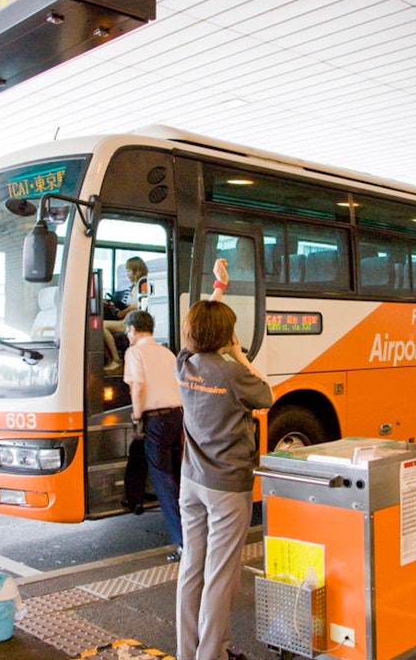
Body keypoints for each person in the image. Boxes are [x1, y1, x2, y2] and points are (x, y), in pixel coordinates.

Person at [175, 259, 272, 660]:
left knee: (192, 568)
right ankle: (210, 655)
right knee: (220, 575)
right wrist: (238, 354)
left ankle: (188, 652)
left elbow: (198, 327)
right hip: (227, 486)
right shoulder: (232, 373)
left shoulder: (185, 364)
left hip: (192, 482)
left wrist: (218, 289)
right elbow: (266, 395)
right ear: (225, 335)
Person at [123, 309, 184, 561]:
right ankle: (133, 499)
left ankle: (182, 542)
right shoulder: (167, 352)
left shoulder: (134, 352)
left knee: (163, 479)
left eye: (127, 331)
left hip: (155, 418)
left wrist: (137, 418)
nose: (127, 335)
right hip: (176, 416)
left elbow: (137, 387)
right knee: (152, 460)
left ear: (134, 330)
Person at [104, 256, 150, 372]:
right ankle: (111, 360)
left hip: (133, 321)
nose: (127, 274)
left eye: (129, 271)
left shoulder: (143, 284)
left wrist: (123, 312)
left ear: (136, 270)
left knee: (101, 326)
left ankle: (116, 359)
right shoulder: (131, 287)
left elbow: (140, 303)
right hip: (127, 318)